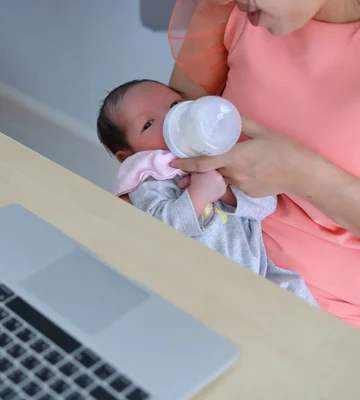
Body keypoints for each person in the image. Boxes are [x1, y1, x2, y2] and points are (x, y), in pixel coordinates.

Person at [167, 0, 360, 327]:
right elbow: (170, 133)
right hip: (202, 248)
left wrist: (302, 174)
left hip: (316, 307)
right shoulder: (232, 8)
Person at [96, 79, 317, 304]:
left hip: (257, 272)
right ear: (128, 156)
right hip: (202, 283)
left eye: (174, 106)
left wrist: (225, 194)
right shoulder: (150, 179)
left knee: (295, 291)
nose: (169, 120)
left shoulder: (217, 153)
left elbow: (265, 205)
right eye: (148, 123)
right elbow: (160, 231)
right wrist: (199, 195)